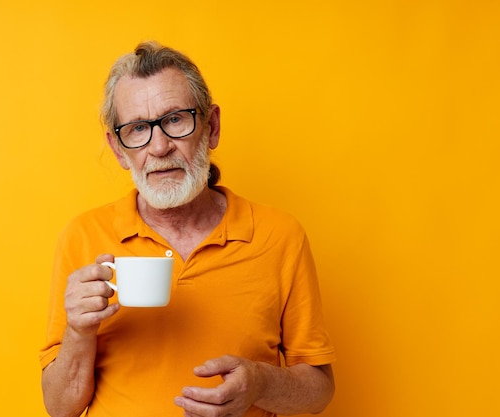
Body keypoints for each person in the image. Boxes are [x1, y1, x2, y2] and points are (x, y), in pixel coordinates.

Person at [39, 41, 336, 417]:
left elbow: (319, 391)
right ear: (118, 149)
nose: (159, 146)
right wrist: (79, 333)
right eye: (137, 129)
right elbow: (59, 408)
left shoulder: (280, 236)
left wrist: (261, 383)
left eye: (176, 119)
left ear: (210, 127)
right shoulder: (82, 237)